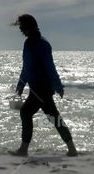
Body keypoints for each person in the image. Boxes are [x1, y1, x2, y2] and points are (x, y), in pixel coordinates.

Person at [9, 14, 77, 157]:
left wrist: (58, 86)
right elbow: (26, 67)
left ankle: (23, 149)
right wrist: (21, 84)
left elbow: (50, 67)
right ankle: (72, 149)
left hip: (43, 88)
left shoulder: (43, 45)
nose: (22, 31)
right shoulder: (27, 44)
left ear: (30, 27)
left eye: (23, 27)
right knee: (53, 117)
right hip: (35, 88)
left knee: (26, 112)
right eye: (21, 28)